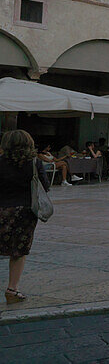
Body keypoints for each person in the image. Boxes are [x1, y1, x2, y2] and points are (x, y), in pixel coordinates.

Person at [0, 130, 50, 305]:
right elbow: (45, 186)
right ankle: (12, 290)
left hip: (1, 209)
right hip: (25, 212)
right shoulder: (34, 163)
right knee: (19, 251)